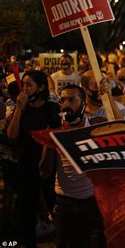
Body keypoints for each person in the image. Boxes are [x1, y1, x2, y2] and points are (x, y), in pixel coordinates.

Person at [41, 84, 106, 247]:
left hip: (92, 201)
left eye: (72, 100)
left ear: (83, 104)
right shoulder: (57, 130)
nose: (66, 104)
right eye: (63, 100)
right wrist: (50, 139)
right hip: (65, 203)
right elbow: (44, 171)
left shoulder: (96, 125)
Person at [6, 70, 61, 247]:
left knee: (53, 206)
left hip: (46, 166)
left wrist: (46, 159)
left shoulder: (51, 108)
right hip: (26, 165)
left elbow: (53, 136)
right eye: (24, 85)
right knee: (27, 212)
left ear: (42, 87)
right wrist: (19, 110)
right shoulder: (21, 108)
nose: (25, 89)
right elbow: (12, 135)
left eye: (29, 85)